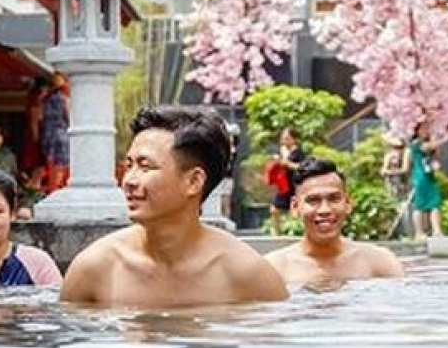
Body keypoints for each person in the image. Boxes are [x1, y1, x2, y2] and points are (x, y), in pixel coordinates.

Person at [61, 106, 288, 308]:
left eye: (145, 166)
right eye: (128, 165)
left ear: (193, 182)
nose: (128, 180)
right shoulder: (95, 268)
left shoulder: (247, 274)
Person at [265, 159, 404, 287]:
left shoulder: (381, 263)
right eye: (313, 200)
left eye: (334, 199)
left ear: (348, 203)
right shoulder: (275, 270)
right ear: (295, 207)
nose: (324, 210)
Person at [264, 128, 306, 235]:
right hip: (284, 186)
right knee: (274, 209)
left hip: (294, 185)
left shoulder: (298, 153)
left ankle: (296, 232)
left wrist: (286, 163)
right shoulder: (283, 151)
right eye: (283, 138)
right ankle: (277, 234)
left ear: (293, 139)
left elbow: (301, 167)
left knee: (295, 211)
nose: (284, 140)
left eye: (287, 138)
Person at [408, 130, 444, 238]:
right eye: (424, 128)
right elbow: (428, 147)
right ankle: (419, 232)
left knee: (435, 203)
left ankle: (437, 230)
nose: (427, 130)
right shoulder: (416, 143)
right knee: (419, 205)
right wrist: (442, 138)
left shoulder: (428, 143)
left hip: (429, 177)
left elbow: (437, 155)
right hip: (420, 178)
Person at [40, 72, 71, 192]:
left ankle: (53, 188)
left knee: (52, 163)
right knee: (60, 164)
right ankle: (57, 188)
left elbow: (41, 117)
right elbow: (68, 116)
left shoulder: (47, 98)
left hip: (50, 133)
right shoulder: (63, 98)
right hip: (61, 133)